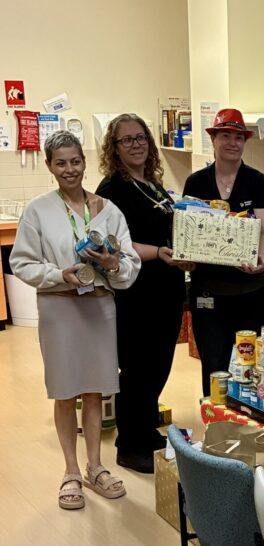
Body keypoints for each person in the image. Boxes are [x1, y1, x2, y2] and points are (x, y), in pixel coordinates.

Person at [10, 130, 140, 509]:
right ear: (50, 167)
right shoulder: (38, 210)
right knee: (66, 390)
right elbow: (21, 262)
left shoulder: (108, 209)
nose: (70, 169)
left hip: (99, 305)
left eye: (75, 161)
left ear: (85, 163)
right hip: (60, 306)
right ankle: (70, 470)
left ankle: (95, 466)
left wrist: (114, 264)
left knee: (96, 388)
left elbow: (129, 263)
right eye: (61, 163)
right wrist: (58, 275)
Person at [97, 113, 192, 474]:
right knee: (136, 368)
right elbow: (116, 244)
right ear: (114, 147)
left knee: (158, 364)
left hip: (165, 289)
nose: (136, 145)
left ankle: (147, 430)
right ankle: (128, 444)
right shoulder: (112, 190)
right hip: (135, 293)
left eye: (140, 138)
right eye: (127, 140)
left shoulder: (151, 183)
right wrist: (160, 253)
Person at [183, 109, 264, 396]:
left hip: (250, 291)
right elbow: (188, 230)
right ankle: (215, 428)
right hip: (208, 293)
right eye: (226, 136)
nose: (233, 142)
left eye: (238, 137)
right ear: (213, 139)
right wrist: (186, 257)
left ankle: (246, 424)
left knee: (250, 364)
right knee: (213, 363)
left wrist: (261, 262)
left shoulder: (256, 181)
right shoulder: (196, 182)